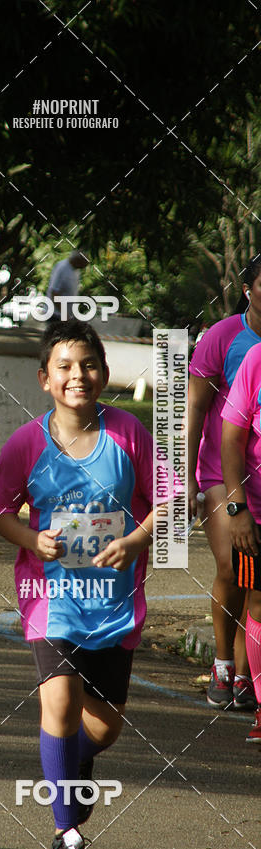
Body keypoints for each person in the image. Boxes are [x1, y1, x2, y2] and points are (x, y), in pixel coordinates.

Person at [0, 320, 157, 849]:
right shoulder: (25, 443)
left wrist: (135, 539)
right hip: (50, 597)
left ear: (104, 374)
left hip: (114, 603)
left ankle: (71, 763)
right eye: (64, 366)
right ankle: (66, 833)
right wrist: (30, 539)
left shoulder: (130, 433)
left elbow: (172, 502)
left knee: (103, 729)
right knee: (57, 702)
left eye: (87, 365)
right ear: (44, 378)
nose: (77, 376)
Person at [188, 255, 261, 710]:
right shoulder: (225, 336)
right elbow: (195, 407)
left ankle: (245, 675)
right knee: (233, 566)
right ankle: (222, 664)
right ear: (249, 289)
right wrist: (183, 478)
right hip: (222, 472)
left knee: (255, 582)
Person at [221, 337, 261, 742]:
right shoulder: (256, 359)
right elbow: (231, 438)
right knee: (259, 601)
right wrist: (238, 508)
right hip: (257, 513)